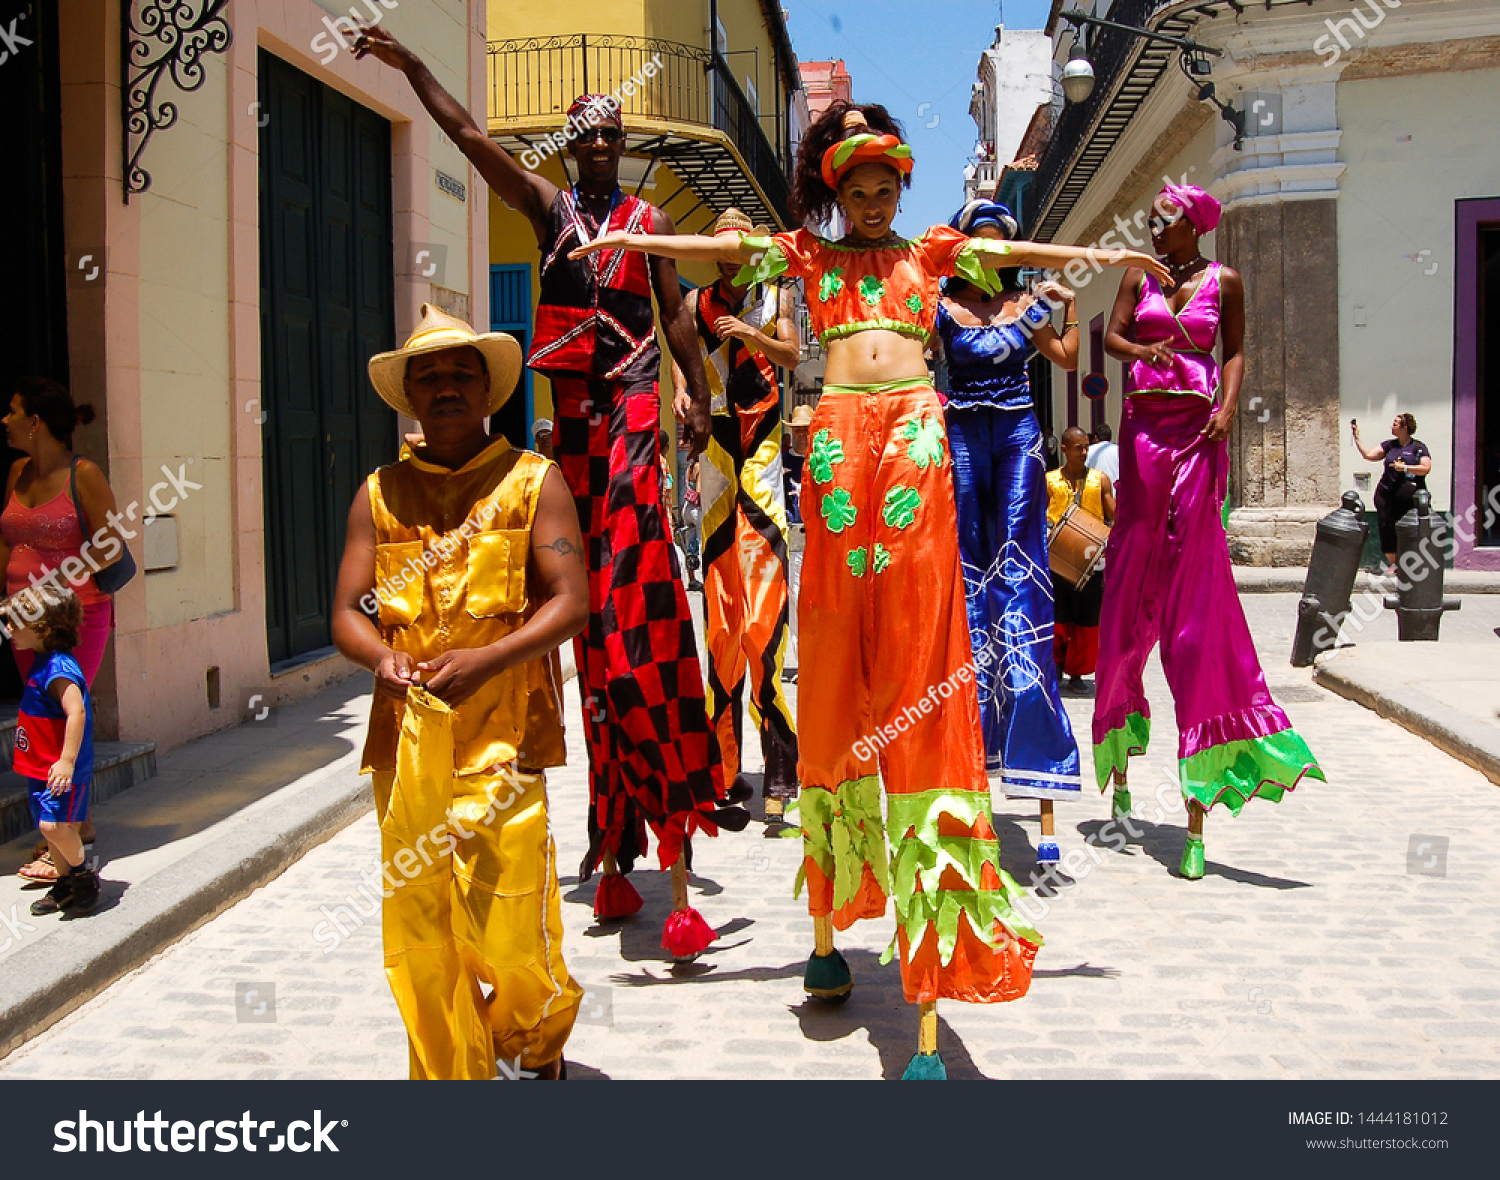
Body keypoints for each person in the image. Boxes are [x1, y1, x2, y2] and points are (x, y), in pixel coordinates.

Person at [570, 99, 1168, 1075]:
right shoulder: (811, 257)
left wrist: (1121, 259)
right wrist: (630, 238)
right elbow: (718, 243)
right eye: (859, 186)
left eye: (887, 183)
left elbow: (1025, 260)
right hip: (843, 445)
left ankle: (936, 950)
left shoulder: (932, 252)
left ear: (899, 188)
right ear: (838, 193)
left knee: (928, 653)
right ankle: (829, 924)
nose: (876, 197)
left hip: (919, 440)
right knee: (841, 670)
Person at [349, 25, 744, 960]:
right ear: (572, 150)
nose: (601, 149)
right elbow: (472, 143)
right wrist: (414, 68)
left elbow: (680, 316)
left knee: (641, 605)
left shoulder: (647, 226)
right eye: (589, 138)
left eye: (613, 137)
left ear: (623, 148)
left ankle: (677, 840)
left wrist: (697, 391)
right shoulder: (549, 210)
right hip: (569, 429)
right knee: (590, 633)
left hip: (637, 412)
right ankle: (614, 840)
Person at [331, 305, 586, 1080]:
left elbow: (571, 598)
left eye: (460, 374)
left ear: (487, 390)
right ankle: (452, 1074)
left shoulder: (534, 483)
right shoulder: (378, 493)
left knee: (510, 926)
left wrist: (491, 658)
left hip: (507, 739)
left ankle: (529, 1042)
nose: (445, 387)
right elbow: (346, 612)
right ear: (408, 395)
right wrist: (381, 659)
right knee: (421, 926)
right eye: (428, 376)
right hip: (408, 747)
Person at [1097, 183, 1324, 880]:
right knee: (1135, 563)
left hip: (1198, 432)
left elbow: (1235, 351)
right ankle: (1122, 730)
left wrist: (1228, 408)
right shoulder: (1140, 274)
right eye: (1152, 223)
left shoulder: (1225, 280)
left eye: (1163, 223)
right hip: (1143, 428)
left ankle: (1201, 801)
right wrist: (1144, 351)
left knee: (1195, 593)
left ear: (1192, 227)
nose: (1154, 231)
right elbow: (1109, 337)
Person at [935, 198, 1085, 877]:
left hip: (1020, 434)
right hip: (963, 433)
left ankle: (1039, 758)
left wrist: (1067, 303)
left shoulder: (1027, 307)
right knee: (966, 570)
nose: (990, 256)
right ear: (965, 250)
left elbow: (1066, 356)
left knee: (1018, 573)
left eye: (1000, 245)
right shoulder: (941, 307)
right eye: (980, 246)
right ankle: (963, 751)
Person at [671, 207, 800, 820]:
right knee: (721, 625)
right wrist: (680, 385)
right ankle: (723, 777)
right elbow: (679, 352)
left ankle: (780, 774)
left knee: (766, 624)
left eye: (739, 246)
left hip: (766, 456)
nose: (730, 255)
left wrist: (749, 335)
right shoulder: (694, 304)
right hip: (718, 457)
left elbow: (794, 355)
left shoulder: (777, 293)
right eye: (720, 247)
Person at [2, 378, 128, 885]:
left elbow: (111, 546)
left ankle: (64, 835)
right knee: (39, 712)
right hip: (22, 621)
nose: (4, 420)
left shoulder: (86, 475)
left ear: (36, 422)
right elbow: (6, 539)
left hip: (76, 619)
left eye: (12, 411)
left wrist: (54, 581)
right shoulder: (16, 471)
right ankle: (80, 819)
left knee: (62, 711)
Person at [4, 584, 101, 917]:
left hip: (60, 771)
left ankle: (81, 876)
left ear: (41, 628)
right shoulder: (42, 660)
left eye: (15, 623)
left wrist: (67, 761)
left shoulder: (59, 668)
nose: (9, 630)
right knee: (52, 830)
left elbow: (77, 712)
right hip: (41, 768)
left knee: (53, 827)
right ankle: (65, 883)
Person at [1046, 426, 1115, 693]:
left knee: (1087, 621)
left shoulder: (1101, 480)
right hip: (1058, 562)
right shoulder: (1050, 480)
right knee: (1058, 619)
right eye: (1078, 448)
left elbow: (1115, 518)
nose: (1084, 453)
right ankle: (1056, 668)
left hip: (1090, 563)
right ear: (1064, 449)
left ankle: (1077, 673)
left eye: (1086, 447)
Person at [1352, 413, 1431, 571]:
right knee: (1386, 527)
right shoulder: (1390, 445)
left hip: (1407, 497)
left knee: (1407, 528)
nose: (1391, 426)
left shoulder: (1418, 448)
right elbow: (1369, 455)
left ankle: (1409, 563)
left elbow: (1426, 468)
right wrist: (1357, 437)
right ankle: (1393, 564)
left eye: (1395, 424)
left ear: (1405, 427)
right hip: (1386, 494)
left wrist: (1406, 468)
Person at [782, 404, 812, 686]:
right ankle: (803, 663)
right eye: (798, 430)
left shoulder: (822, 460)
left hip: (821, 543)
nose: (802, 435)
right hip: (794, 541)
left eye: (806, 429)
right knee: (796, 603)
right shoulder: (781, 464)